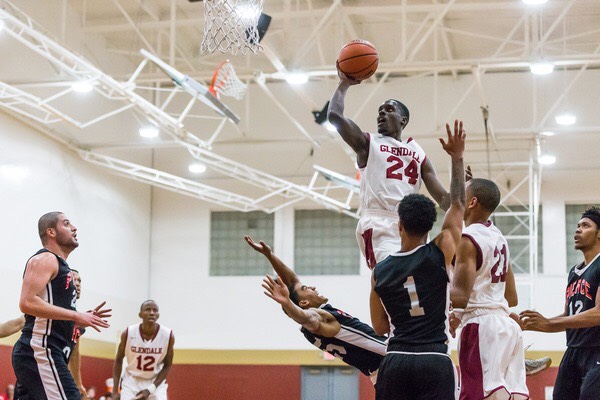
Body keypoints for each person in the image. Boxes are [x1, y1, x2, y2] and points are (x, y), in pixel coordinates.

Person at [370, 120, 465, 400]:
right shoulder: (440, 249)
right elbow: (458, 204)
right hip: (434, 359)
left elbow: (380, 327)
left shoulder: (380, 271)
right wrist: (457, 158)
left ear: (399, 225)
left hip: (396, 359)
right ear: (429, 227)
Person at [328, 69, 454, 269]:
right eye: (380, 111)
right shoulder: (368, 142)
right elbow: (334, 116)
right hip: (379, 223)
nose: (382, 114)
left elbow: (447, 201)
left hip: (412, 225)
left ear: (403, 120)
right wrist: (344, 83)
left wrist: (459, 172)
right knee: (391, 280)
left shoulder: (418, 152)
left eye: (389, 110)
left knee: (420, 283)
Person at [246, 235, 387, 383]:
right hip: (387, 363)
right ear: (304, 303)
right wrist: (287, 302)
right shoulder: (318, 317)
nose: (312, 287)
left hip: (381, 373)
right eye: (306, 288)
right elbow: (306, 317)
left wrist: (269, 255)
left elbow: (293, 281)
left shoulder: (314, 325)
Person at [12, 211, 111, 400]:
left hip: (45, 352)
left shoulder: (62, 267)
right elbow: (27, 302)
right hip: (40, 351)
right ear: (51, 232)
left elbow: (48, 315)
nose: (74, 228)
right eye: (66, 224)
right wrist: (76, 316)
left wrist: (77, 319)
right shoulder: (45, 259)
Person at [450, 178, 528, 399]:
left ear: (472, 202)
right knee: (510, 394)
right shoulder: (500, 238)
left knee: (475, 394)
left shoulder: (468, 239)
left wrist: (431, 291)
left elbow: (461, 297)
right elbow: (511, 297)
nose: (457, 197)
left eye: (462, 194)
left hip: (481, 326)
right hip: (507, 327)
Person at [520, 206, 600, 400]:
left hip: (596, 350)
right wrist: (536, 324)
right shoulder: (574, 272)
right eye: (578, 225)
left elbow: (598, 314)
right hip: (572, 350)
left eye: (586, 225)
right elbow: (568, 315)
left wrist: (549, 323)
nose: (578, 229)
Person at [113, 300, 175, 400]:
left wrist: (150, 390)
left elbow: (167, 365)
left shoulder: (167, 335)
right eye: (147, 309)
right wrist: (115, 391)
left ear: (158, 315)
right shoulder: (128, 333)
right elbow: (119, 360)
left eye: (155, 310)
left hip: (155, 381)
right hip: (131, 380)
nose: (151, 313)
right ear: (140, 314)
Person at [68, 269, 89, 399]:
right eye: (73, 280)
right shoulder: (51, 307)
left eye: (79, 280)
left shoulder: (77, 319)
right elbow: (18, 323)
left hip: (59, 370)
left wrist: (79, 384)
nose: (78, 283)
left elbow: (74, 353)